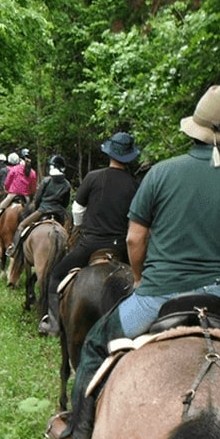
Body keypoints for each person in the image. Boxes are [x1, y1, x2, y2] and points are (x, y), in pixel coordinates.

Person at [46, 84, 220, 439]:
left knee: (96, 345)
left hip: (157, 296)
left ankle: (78, 433)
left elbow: (135, 239)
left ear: (195, 128)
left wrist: (139, 280)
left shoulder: (162, 173)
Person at [36, 132, 140, 337]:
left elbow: (77, 209)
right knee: (139, 280)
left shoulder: (93, 177)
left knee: (56, 274)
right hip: (121, 247)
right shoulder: (134, 184)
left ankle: (54, 322)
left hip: (91, 244)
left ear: (109, 153)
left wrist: (79, 227)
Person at [6, 155, 71, 258]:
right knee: (67, 232)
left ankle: (14, 249)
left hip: (43, 210)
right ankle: (66, 251)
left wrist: (36, 208)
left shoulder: (47, 180)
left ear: (52, 167)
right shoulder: (67, 184)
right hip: (59, 213)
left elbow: (38, 198)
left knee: (22, 225)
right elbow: (65, 203)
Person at [0, 150, 37, 223]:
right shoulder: (33, 172)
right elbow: (33, 188)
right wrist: (30, 194)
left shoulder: (15, 169)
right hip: (26, 197)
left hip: (12, 194)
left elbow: (7, 183)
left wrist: (7, 189)